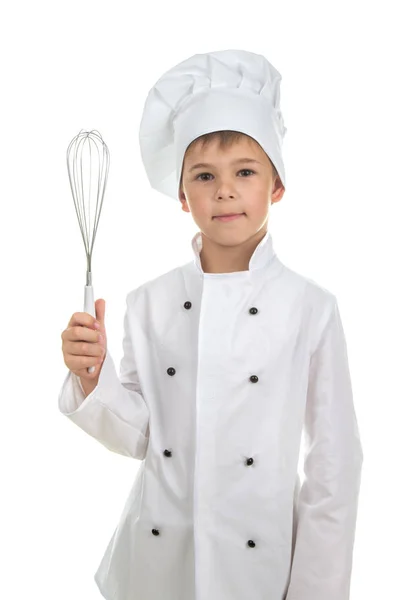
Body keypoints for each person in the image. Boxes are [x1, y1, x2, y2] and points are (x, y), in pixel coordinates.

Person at [59, 49, 364, 600]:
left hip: (259, 567)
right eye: (204, 176)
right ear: (182, 197)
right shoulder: (149, 302)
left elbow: (334, 463)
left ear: (276, 186)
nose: (224, 190)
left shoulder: (310, 307)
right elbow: (144, 437)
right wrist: (93, 376)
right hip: (155, 562)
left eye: (244, 172)